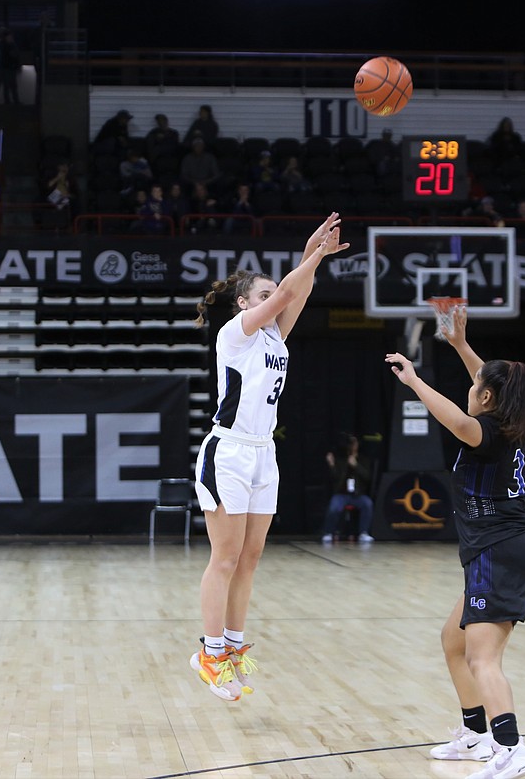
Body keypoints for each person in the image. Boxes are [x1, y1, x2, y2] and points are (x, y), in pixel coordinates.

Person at [189, 213, 349, 702]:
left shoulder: (275, 337)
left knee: (252, 558)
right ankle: (209, 653)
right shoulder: (234, 334)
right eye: (262, 295)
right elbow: (286, 293)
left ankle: (234, 650)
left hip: (264, 453)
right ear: (243, 304)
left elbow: (290, 295)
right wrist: (314, 256)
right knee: (226, 557)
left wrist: (310, 252)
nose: (271, 299)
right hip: (229, 451)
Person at [386, 306, 525, 779]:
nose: (471, 389)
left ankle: (511, 749)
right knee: (453, 642)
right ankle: (476, 734)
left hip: (501, 552)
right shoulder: (514, 423)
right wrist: (458, 345)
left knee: (482, 657)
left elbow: (456, 419)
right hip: (507, 550)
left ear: (488, 398)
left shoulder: (486, 433)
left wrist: (415, 381)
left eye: (477, 388)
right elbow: (487, 384)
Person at [320, 434, 375, 543]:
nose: (352, 446)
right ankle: (329, 532)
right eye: (350, 444)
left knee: (367, 504)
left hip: (358, 495)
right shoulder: (341, 460)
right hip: (342, 494)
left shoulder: (363, 460)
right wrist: (332, 464)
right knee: (334, 506)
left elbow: (368, 477)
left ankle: (363, 532)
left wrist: (356, 465)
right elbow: (335, 478)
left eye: (354, 444)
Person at [0, 30, 21, 105]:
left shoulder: (5, 45)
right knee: (10, 85)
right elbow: (15, 56)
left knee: (10, 85)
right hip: (8, 67)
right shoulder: (9, 46)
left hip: (9, 67)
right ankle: (12, 101)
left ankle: (10, 101)